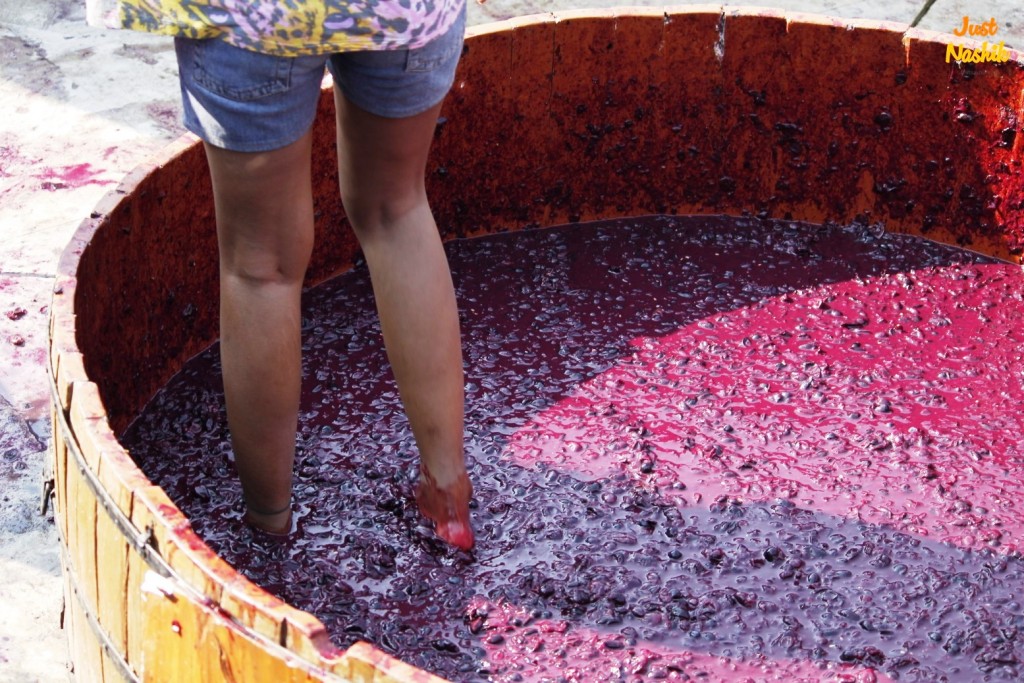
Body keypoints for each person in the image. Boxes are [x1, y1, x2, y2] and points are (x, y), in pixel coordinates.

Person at [87, 0, 475, 549]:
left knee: (260, 267)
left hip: (256, 17)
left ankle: (269, 524)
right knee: (398, 212)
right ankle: (448, 492)